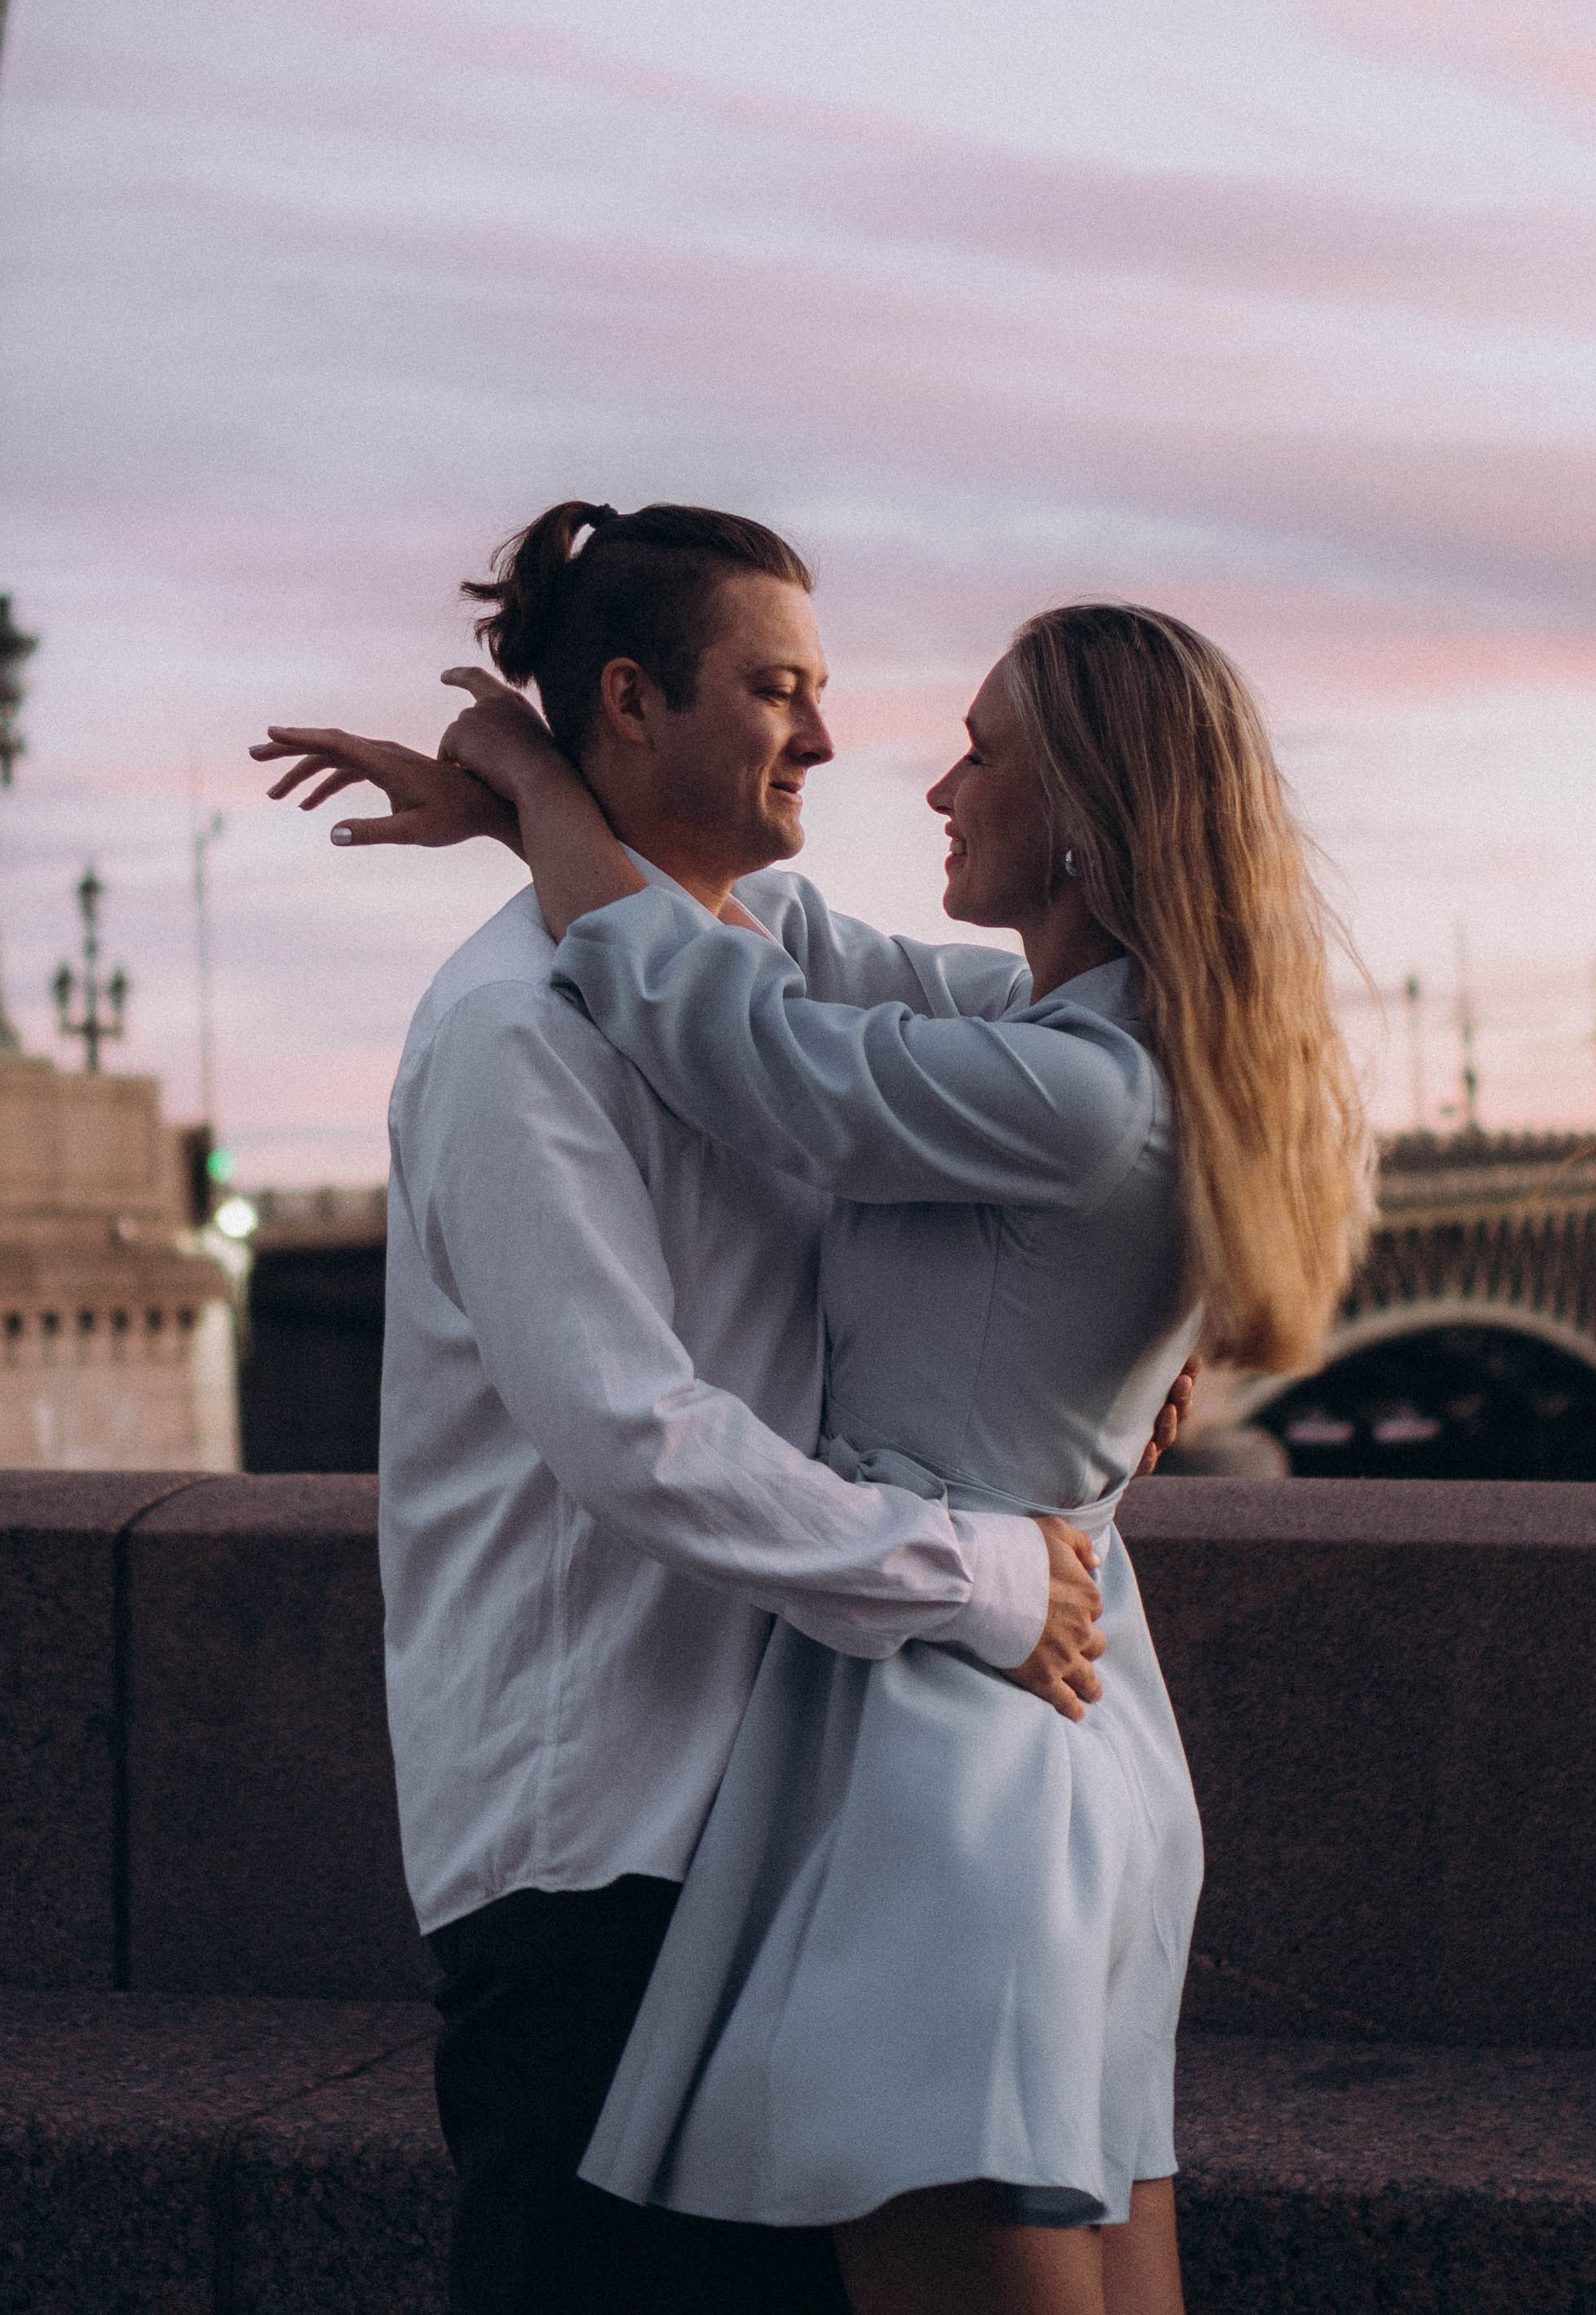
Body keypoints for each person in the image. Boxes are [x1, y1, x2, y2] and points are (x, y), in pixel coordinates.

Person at [256, 504, 1192, 2315]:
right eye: (776, 690)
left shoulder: (765, 951)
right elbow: (634, 1436)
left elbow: (1111, 1069)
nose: (830, 740)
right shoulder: (515, 1031)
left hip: (784, 1812)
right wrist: (984, 1578)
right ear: (630, 700)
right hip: (601, 1843)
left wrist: (1158, 1302)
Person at [424, 585, 1369, 2315]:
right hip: (1079, 1736)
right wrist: (540, 808)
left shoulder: (1071, 1091)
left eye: (979, 754)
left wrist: (534, 780)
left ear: (1084, 811)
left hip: (950, 1762)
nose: (933, 786)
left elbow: (743, 1034)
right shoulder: (1105, 1040)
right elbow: (800, 949)